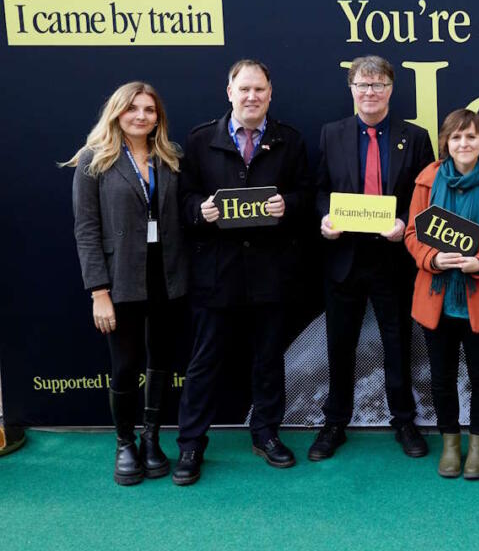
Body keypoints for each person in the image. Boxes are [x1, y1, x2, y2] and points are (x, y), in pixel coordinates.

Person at [172, 59, 312, 485]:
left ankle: (266, 433)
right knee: (204, 362)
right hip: (217, 274)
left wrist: (288, 204)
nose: (252, 97)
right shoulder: (198, 141)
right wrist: (201, 210)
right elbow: (182, 201)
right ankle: (191, 444)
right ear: (229, 91)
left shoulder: (289, 140)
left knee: (269, 360)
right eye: (244, 89)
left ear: (271, 94)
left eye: (260, 90)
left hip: (271, 273)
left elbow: (308, 195)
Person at [309, 55, 434, 462]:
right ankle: (334, 423)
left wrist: (404, 223)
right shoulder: (332, 133)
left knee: (398, 343)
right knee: (339, 344)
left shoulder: (413, 137)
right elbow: (320, 189)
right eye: (362, 85)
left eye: (378, 84)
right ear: (351, 90)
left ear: (391, 89)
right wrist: (324, 217)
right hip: (344, 257)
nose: (370, 92)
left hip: (393, 258)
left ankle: (404, 420)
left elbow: (425, 197)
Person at [67, 81, 187, 485]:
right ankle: (124, 443)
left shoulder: (171, 158)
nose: (141, 116)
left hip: (167, 278)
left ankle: (151, 439)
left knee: (161, 362)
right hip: (120, 282)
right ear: (117, 112)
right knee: (125, 365)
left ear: (158, 118)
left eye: (149, 110)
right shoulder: (93, 160)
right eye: (132, 108)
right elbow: (85, 229)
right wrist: (98, 292)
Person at [404, 109, 479, 479]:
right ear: (446, 142)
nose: (464, 143)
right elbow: (411, 235)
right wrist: (433, 258)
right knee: (441, 378)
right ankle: (451, 445)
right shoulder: (427, 180)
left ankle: (478, 447)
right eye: (456, 137)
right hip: (437, 299)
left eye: (471, 136)